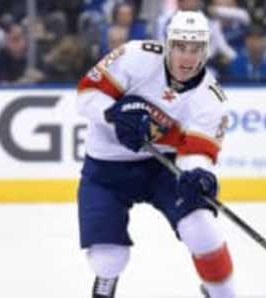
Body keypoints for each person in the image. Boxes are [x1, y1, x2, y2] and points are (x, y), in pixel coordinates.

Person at [76, 10, 236, 298]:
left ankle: (224, 294)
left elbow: (196, 150)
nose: (188, 58)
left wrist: (197, 173)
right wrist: (112, 114)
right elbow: (87, 95)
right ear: (167, 44)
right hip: (106, 169)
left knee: (202, 229)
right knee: (108, 259)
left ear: (207, 49)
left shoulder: (211, 98)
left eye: (196, 49)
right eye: (180, 47)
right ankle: (107, 278)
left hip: (162, 167)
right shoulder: (135, 55)